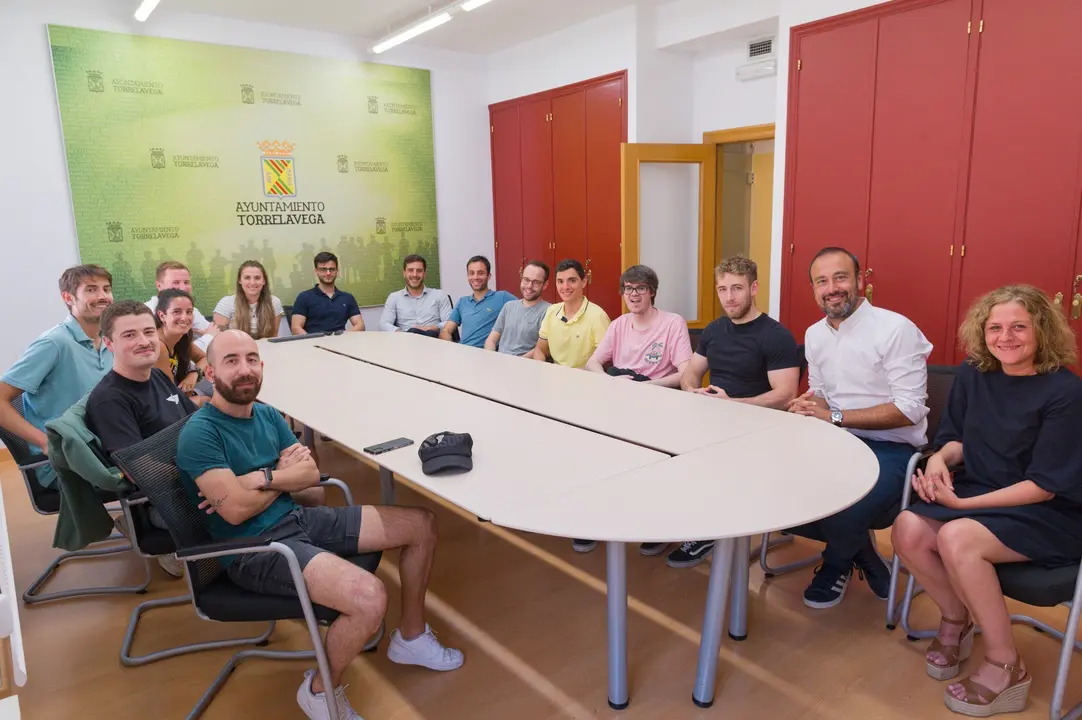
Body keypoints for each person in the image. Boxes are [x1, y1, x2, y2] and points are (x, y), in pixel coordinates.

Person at [176, 330, 464, 719]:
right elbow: (236, 511)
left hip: (297, 518)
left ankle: (410, 637)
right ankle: (319, 690)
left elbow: (309, 472)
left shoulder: (266, 413)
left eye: (251, 359)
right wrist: (280, 475)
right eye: (231, 361)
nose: (244, 369)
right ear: (210, 371)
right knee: (369, 597)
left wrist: (261, 478)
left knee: (421, 524)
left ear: (262, 365)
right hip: (256, 548)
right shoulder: (200, 433)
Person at [892, 285, 1082, 717]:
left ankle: (1006, 664)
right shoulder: (974, 373)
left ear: (1042, 330)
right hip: (982, 493)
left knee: (957, 537)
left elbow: (1044, 486)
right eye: (995, 327)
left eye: (1019, 326)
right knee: (907, 528)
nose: (1005, 337)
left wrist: (961, 508)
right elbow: (956, 438)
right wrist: (940, 459)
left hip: (1048, 512)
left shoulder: (1066, 393)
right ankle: (956, 620)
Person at [787, 247, 932, 609]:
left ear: (860, 281)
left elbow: (909, 409)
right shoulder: (815, 334)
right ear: (813, 289)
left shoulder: (895, 328)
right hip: (836, 441)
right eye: (822, 281)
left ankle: (837, 562)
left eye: (840, 277)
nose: (831, 288)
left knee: (845, 508)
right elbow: (821, 395)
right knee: (779, 491)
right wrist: (808, 405)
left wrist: (834, 417)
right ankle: (863, 553)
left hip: (893, 448)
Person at [665, 256, 802, 568]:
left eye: (737, 288)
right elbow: (690, 373)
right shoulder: (714, 330)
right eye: (723, 289)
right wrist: (692, 391)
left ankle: (708, 530)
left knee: (699, 458)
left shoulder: (775, 335)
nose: (729, 297)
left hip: (757, 427)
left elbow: (786, 395)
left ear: (753, 288)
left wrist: (733, 405)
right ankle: (679, 520)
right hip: (713, 418)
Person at [0, 265, 114, 488]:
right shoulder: (54, 343)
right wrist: (44, 442)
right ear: (68, 297)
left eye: (106, 289)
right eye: (91, 289)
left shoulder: (109, 340)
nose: (102, 296)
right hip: (64, 463)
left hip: (103, 450)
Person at [586, 264, 692, 387]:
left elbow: (686, 373)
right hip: (620, 390)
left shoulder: (673, 323)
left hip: (656, 392)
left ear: (652, 291)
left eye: (641, 288)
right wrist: (609, 380)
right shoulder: (618, 324)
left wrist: (644, 386)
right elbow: (592, 363)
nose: (634, 294)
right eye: (629, 288)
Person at [528, 259, 610, 370]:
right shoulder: (551, 311)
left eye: (572, 280)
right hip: (554, 376)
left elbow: (605, 360)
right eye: (560, 281)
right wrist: (543, 371)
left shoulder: (598, 316)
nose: (565, 287)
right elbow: (540, 349)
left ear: (584, 281)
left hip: (586, 379)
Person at [439, 256, 514, 348]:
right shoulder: (462, 302)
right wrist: (453, 351)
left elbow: (525, 308)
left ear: (489, 276)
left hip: (489, 354)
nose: (475, 277)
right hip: (464, 354)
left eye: (480, 273)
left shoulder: (502, 297)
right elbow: (446, 331)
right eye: (471, 273)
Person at [146, 261, 217, 351]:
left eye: (186, 282)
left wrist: (209, 336)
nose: (183, 288)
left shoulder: (191, 310)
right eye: (176, 282)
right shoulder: (146, 313)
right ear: (159, 285)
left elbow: (217, 336)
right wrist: (208, 337)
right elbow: (165, 351)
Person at [484, 260, 551, 355]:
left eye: (536, 282)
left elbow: (542, 349)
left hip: (526, 365)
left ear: (545, 285)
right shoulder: (508, 306)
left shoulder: (549, 311)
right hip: (500, 363)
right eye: (526, 280)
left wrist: (516, 363)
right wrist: (491, 356)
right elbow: (492, 339)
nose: (529, 286)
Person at [290, 252, 365, 335]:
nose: (328, 273)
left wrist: (344, 337)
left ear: (337, 271)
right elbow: (296, 328)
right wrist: (313, 343)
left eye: (332, 269)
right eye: (323, 269)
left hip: (341, 343)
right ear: (316, 271)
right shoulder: (304, 297)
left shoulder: (347, 298)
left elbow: (360, 325)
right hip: (314, 344)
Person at [380, 254, 452, 335]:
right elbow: (384, 324)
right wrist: (402, 334)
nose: (415, 274)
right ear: (404, 273)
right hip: (406, 341)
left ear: (424, 274)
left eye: (419, 271)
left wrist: (431, 328)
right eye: (410, 270)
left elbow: (450, 322)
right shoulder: (394, 298)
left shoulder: (440, 295)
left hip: (433, 339)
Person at [213, 260, 286, 339]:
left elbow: (273, 337)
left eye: (257, 278)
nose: (252, 282)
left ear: (264, 281)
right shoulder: (226, 303)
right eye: (247, 278)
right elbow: (220, 339)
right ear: (240, 281)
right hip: (235, 349)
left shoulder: (274, 302)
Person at [154, 289, 207, 397]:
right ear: (162, 315)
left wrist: (194, 373)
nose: (184, 318)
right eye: (177, 312)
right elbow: (170, 395)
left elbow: (204, 358)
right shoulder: (158, 345)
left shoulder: (182, 337)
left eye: (189, 312)